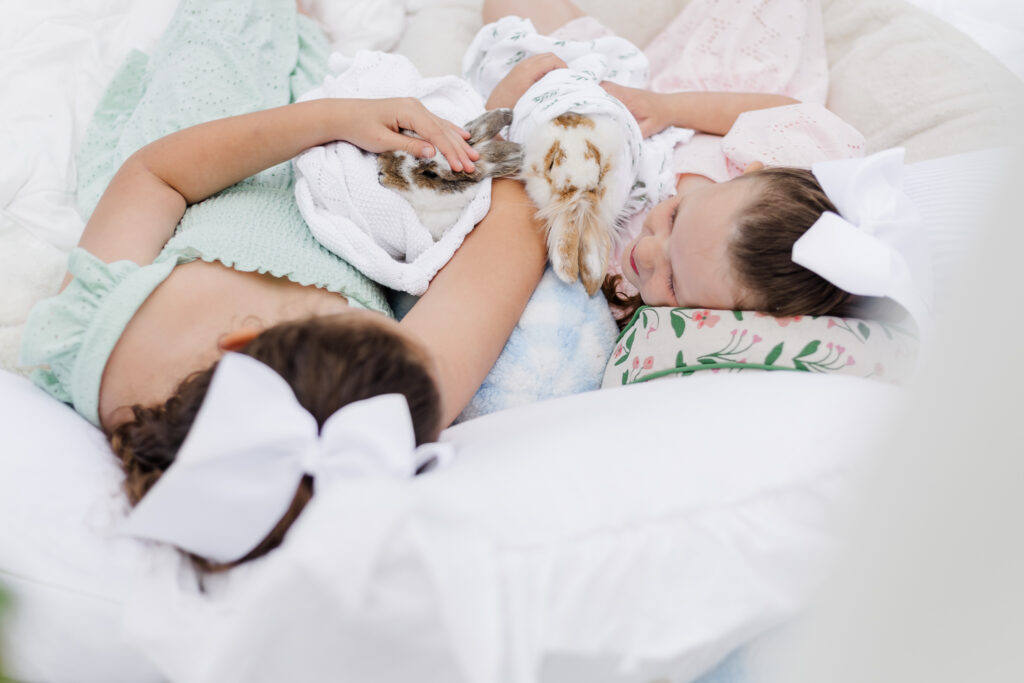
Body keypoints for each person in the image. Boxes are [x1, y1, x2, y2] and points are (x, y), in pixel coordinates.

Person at [18, 0, 547, 571]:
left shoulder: (95, 342)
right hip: (367, 202)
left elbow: (156, 176)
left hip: (208, 164)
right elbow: (508, 242)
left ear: (237, 343)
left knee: (220, 41)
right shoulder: (392, 403)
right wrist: (500, 126)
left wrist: (327, 119)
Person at [480, 0, 870, 325]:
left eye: (672, 283)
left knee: (512, 30)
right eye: (674, 216)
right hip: (677, 106)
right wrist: (669, 107)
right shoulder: (778, 170)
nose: (647, 252)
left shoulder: (620, 288)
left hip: (590, 127)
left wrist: (502, 119)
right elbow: (787, 112)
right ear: (751, 173)